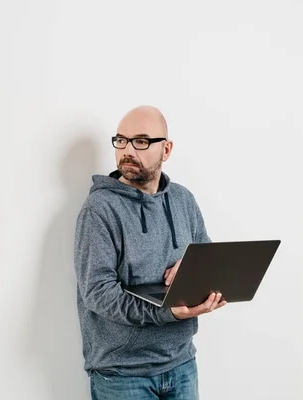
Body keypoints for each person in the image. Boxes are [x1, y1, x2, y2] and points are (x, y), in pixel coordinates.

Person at [73, 105, 226, 399]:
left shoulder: (183, 200)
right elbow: (98, 294)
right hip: (123, 375)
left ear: (166, 150)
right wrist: (165, 312)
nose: (128, 150)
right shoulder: (99, 210)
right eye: (121, 140)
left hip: (182, 364)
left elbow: (209, 259)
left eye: (141, 141)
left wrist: (194, 271)